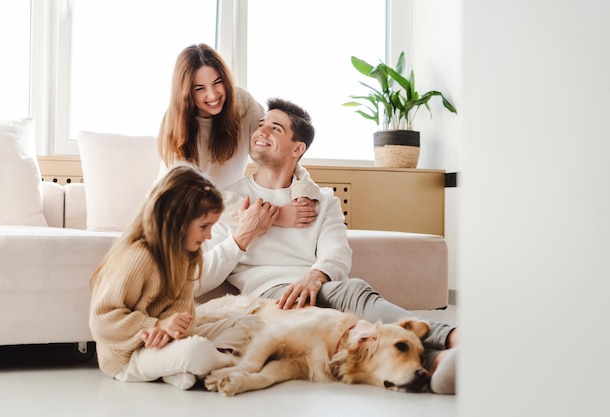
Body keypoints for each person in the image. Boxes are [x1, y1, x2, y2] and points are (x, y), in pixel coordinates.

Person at [201, 98, 458, 395]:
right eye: (260, 125)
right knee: (353, 314)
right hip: (271, 298)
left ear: (297, 149)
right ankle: (442, 352)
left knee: (355, 310)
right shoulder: (229, 199)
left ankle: (444, 352)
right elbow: (205, 273)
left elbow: (337, 252)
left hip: (321, 286)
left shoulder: (321, 200)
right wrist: (242, 236)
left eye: (275, 128)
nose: (261, 132)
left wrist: (316, 275)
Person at [88, 164, 263, 390]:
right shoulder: (138, 256)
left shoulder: (187, 256)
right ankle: (226, 364)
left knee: (253, 324)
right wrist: (156, 325)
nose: (209, 235)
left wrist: (170, 331)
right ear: (177, 220)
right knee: (196, 352)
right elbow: (102, 320)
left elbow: (182, 313)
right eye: (204, 226)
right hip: (128, 355)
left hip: (166, 343)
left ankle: (181, 369)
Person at [157, 43, 318, 228]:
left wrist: (303, 190)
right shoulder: (175, 123)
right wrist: (276, 215)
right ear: (186, 93)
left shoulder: (241, 103)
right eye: (199, 88)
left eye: (218, 82)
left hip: (226, 211)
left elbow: (277, 152)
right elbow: (192, 193)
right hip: (176, 212)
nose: (212, 95)